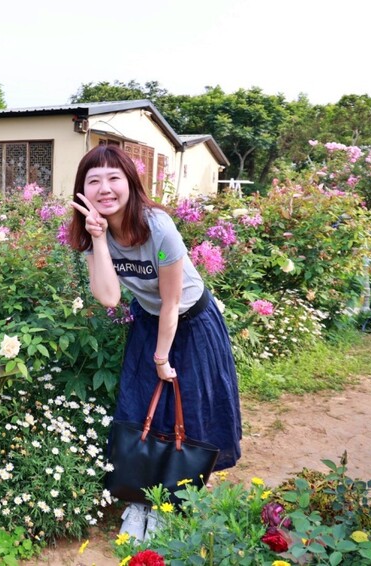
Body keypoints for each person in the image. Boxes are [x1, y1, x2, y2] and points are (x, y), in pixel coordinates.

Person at [69, 145, 242, 541]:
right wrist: (97, 240)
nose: (105, 188)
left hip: (192, 322)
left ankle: (174, 502)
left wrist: (162, 358)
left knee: (190, 410)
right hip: (149, 322)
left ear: (131, 182)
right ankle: (138, 500)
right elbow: (110, 297)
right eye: (93, 180)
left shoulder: (158, 227)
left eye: (114, 178)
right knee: (140, 408)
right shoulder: (92, 232)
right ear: (83, 190)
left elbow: (172, 301)